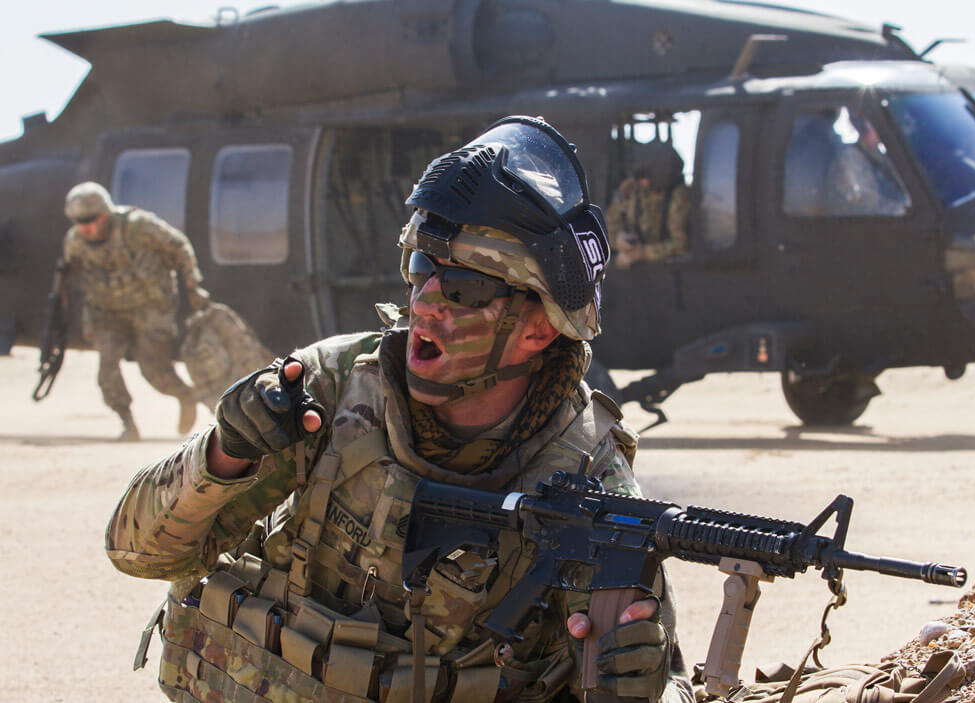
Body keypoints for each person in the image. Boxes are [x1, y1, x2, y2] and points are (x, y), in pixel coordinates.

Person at [106, 117, 695, 703]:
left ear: (540, 328)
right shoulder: (329, 389)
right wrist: (223, 456)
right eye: (420, 269)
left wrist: (636, 683)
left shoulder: (590, 480)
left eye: (464, 288)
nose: (425, 301)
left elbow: (664, 680)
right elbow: (137, 551)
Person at [61, 181, 207, 440]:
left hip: (149, 308)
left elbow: (180, 247)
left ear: (106, 213)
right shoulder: (75, 242)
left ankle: (185, 396)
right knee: (107, 366)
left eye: (92, 219)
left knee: (154, 372)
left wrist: (193, 286)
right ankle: (127, 422)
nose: (87, 227)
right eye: (80, 221)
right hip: (108, 313)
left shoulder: (138, 227)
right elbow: (71, 275)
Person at [605, 149, 691, 269]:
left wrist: (644, 253)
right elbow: (608, 223)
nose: (640, 181)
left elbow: (680, 244)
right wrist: (619, 239)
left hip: (669, 271)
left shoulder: (679, 198)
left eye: (644, 176)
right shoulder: (634, 192)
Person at [824, 111, 910, 216]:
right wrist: (900, 210)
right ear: (864, 128)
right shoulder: (850, 159)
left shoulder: (879, 156)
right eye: (874, 126)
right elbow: (862, 202)